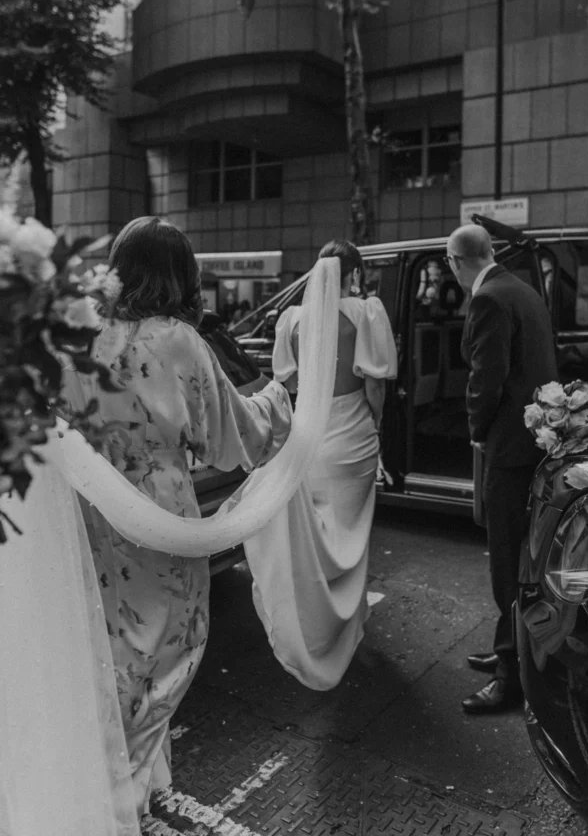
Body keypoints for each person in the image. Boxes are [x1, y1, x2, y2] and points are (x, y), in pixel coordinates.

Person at [61, 217, 292, 815]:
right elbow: (231, 438)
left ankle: (109, 784)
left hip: (89, 512)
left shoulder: (82, 335)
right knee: (169, 649)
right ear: (180, 274)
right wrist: (282, 398)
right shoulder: (176, 340)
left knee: (108, 647)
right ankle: (120, 797)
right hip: (157, 514)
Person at [244, 239, 398, 690]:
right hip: (352, 441)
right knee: (353, 538)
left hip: (309, 442)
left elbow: (286, 382)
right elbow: (375, 386)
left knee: (319, 539)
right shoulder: (367, 312)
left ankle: (317, 625)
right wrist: (379, 427)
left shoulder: (293, 320)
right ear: (353, 273)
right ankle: (349, 625)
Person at [446, 224, 557, 713]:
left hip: (508, 450)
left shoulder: (487, 298)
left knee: (506, 563)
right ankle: (506, 648)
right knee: (521, 557)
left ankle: (511, 677)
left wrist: (475, 430)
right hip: (533, 445)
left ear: (456, 261)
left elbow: (485, 378)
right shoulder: (526, 290)